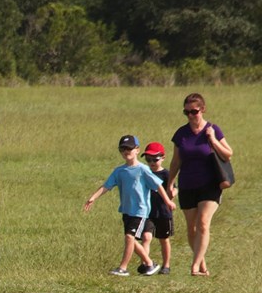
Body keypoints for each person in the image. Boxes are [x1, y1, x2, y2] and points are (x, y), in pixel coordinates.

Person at [84, 135, 177, 276]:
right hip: (126, 210)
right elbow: (107, 186)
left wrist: (168, 201)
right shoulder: (119, 171)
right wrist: (93, 197)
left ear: (137, 150)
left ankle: (123, 268)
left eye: (129, 148)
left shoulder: (143, 169)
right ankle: (150, 264)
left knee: (129, 237)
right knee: (131, 240)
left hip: (140, 210)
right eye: (123, 149)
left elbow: (158, 185)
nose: (126, 151)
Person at [167, 93, 233, 276]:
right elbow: (175, 162)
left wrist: (212, 140)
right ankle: (201, 261)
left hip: (210, 185)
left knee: (203, 223)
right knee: (192, 228)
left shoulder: (213, 129)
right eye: (186, 112)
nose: (190, 115)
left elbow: (228, 154)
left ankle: (194, 266)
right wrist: (169, 184)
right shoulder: (181, 134)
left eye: (194, 111)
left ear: (202, 110)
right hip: (187, 184)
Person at [137, 142, 176, 275]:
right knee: (146, 237)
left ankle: (166, 265)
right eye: (148, 159)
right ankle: (146, 263)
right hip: (147, 212)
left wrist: (173, 193)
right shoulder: (144, 173)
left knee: (163, 239)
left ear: (163, 158)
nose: (152, 162)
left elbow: (174, 188)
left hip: (164, 212)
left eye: (155, 159)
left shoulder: (166, 174)